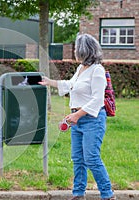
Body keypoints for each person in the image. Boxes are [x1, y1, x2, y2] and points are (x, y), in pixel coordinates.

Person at [39, 34, 116, 200]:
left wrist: (77, 115)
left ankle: (108, 195)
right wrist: (49, 82)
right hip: (77, 120)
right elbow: (70, 85)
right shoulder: (81, 69)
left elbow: (97, 99)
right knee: (78, 159)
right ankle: (78, 194)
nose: (74, 51)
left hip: (92, 120)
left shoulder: (97, 70)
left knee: (92, 158)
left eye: (76, 48)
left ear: (84, 50)